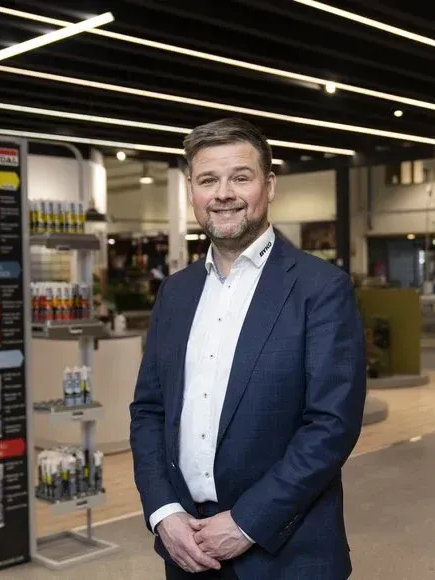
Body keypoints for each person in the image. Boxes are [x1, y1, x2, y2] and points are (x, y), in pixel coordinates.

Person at [130, 117, 367, 580]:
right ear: (191, 191)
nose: (223, 193)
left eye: (240, 177)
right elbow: (149, 411)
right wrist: (163, 511)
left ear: (269, 185)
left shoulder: (321, 288)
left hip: (285, 553)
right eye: (207, 180)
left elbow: (331, 425)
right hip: (187, 547)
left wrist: (246, 522)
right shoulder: (175, 293)